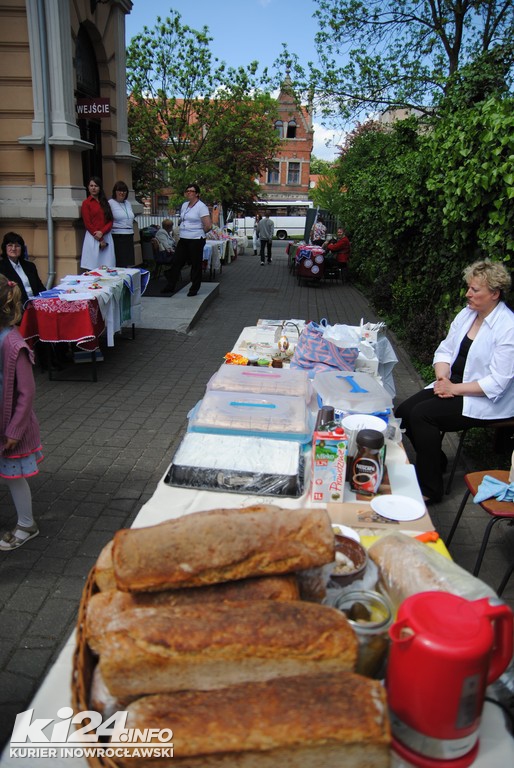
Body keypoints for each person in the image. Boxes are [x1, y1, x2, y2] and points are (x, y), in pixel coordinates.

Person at [395, 259, 514, 505]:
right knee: (404, 411)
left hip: (486, 398)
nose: (468, 294)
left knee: (422, 415)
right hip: (454, 383)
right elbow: (445, 350)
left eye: (475, 290)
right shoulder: (468, 313)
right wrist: (442, 378)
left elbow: (498, 383)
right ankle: (436, 460)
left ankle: (431, 487)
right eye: (468, 287)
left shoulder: (508, 326)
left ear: (494, 293)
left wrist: (454, 388)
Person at [0, 276, 43, 550]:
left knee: (14, 478)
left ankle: (27, 523)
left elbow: (26, 393)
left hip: (11, 428)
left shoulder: (14, 344)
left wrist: (14, 431)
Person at [161, 184, 212, 297]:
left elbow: (208, 225)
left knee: (195, 264)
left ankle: (194, 288)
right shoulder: (185, 205)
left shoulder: (201, 206)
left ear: (197, 194)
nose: (188, 193)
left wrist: (199, 233)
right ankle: (171, 285)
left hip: (196, 239)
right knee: (176, 262)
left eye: (191, 191)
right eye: (187, 191)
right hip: (184, 238)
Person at [0, 232, 45, 304]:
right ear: (5, 248)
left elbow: (40, 288)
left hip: (36, 304)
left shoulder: (30, 266)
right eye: (10, 245)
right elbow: (5, 294)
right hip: (16, 307)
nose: (13, 248)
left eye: (17, 246)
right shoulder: (1, 268)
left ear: (22, 248)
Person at [80, 176, 114, 270]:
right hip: (93, 238)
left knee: (108, 267)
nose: (93, 188)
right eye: (91, 185)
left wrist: (102, 232)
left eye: (96, 186)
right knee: (93, 268)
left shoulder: (105, 203)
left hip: (106, 236)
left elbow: (110, 220)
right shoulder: (86, 203)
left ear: (100, 188)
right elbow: (88, 223)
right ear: (88, 187)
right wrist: (100, 238)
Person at [108, 181, 135, 267]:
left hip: (129, 235)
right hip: (118, 236)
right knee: (120, 263)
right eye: (119, 190)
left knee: (127, 263)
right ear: (115, 191)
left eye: (124, 191)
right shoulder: (111, 203)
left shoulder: (128, 203)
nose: (122, 193)